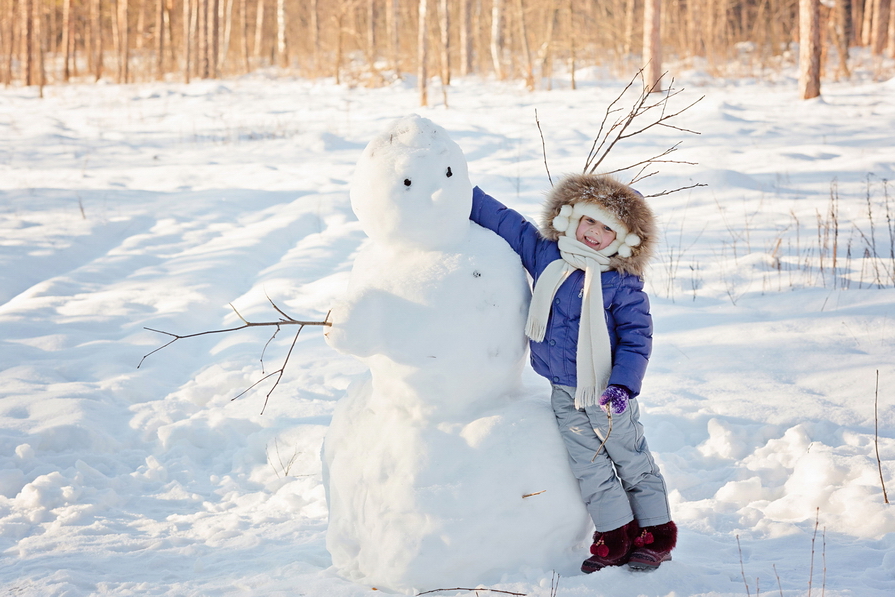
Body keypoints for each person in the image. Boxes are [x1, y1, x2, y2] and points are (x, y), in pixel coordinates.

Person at [469, 173, 676, 572]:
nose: (595, 233)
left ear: (625, 240)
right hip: (564, 390)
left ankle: (656, 532)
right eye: (590, 221)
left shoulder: (622, 283)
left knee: (631, 460)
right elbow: (508, 223)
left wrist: (622, 385)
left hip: (607, 392)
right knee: (589, 464)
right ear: (571, 218)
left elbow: (637, 338)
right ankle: (615, 534)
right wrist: (463, 188)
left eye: (608, 228)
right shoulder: (549, 256)